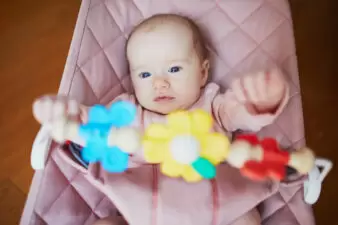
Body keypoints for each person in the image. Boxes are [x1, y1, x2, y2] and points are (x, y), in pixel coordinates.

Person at [33, 14, 288, 225]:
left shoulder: (212, 106)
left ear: (202, 73)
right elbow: (92, 127)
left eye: (174, 69)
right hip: (143, 212)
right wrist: (64, 117)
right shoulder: (127, 111)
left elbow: (239, 113)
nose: (159, 83)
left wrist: (259, 102)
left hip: (216, 210)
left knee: (247, 221)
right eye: (144, 74)